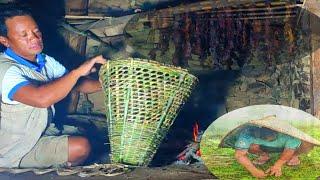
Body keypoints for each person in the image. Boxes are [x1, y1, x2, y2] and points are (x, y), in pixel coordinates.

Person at [0, 6, 107, 168]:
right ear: (5, 41)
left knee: (92, 136)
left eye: (36, 31)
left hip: (40, 133)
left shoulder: (43, 60)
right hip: (14, 149)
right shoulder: (6, 69)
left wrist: (110, 84)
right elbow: (41, 98)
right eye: (24, 35)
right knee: (81, 147)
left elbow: (76, 84)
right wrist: (78, 71)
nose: (34, 38)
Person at [234, 126, 314, 178]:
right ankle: (264, 155)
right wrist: (253, 170)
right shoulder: (247, 132)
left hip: (287, 147)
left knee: (308, 144)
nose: (268, 138)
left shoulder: (289, 133)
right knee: (251, 146)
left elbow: (289, 149)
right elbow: (239, 155)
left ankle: (294, 156)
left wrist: (277, 165)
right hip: (263, 147)